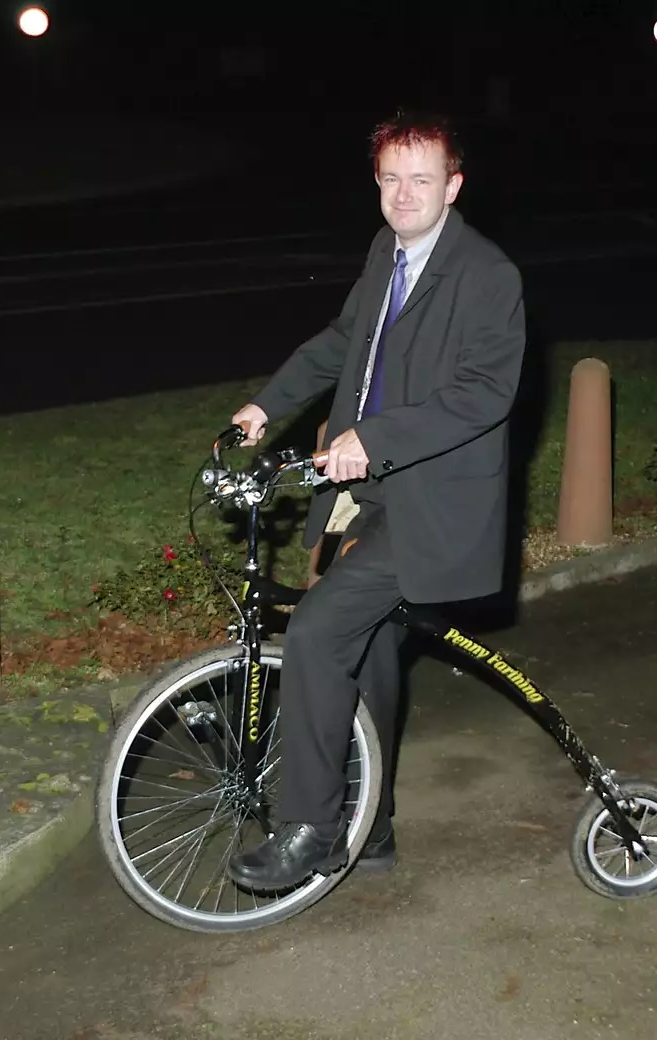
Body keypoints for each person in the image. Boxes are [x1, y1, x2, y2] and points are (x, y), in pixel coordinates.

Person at [225, 110, 528, 892]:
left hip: (435, 505)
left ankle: (313, 831)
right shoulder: (385, 253)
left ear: (453, 186)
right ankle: (374, 825)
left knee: (322, 630)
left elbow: (484, 395)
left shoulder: (488, 275)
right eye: (390, 178)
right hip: (368, 491)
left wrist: (375, 437)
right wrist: (267, 404)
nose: (404, 194)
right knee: (370, 653)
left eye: (421, 178)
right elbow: (340, 342)